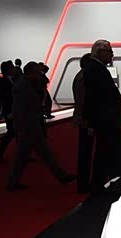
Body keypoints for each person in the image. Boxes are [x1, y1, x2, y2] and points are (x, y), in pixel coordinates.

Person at [7, 61, 75, 191]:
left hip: (29, 125)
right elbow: (20, 108)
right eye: (37, 72)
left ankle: (13, 182)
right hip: (28, 125)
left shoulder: (26, 84)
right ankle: (61, 176)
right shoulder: (23, 86)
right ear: (30, 72)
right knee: (42, 153)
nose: (39, 75)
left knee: (25, 155)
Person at [84, 40, 121, 192]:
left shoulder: (96, 68)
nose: (112, 54)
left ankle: (101, 182)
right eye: (109, 51)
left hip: (105, 119)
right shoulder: (95, 69)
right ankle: (113, 180)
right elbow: (95, 98)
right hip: (105, 119)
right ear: (100, 52)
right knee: (108, 150)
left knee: (104, 151)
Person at [72, 54, 94, 193]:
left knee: (85, 151)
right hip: (85, 120)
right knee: (85, 151)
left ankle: (84, 182)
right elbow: (82, 101)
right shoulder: (83, 78)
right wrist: (84, 120)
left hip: (85, 119)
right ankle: (83, 183)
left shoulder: (82, 76)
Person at [0, 60, 16, 163]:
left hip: (16, 109)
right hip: (9, 110)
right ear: (7, 69)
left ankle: (22, 153)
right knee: (11, 132)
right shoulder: (2, 81)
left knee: (17, 132)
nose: (14, 68)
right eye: (12, 67)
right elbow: (5, 97)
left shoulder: (15, 79)